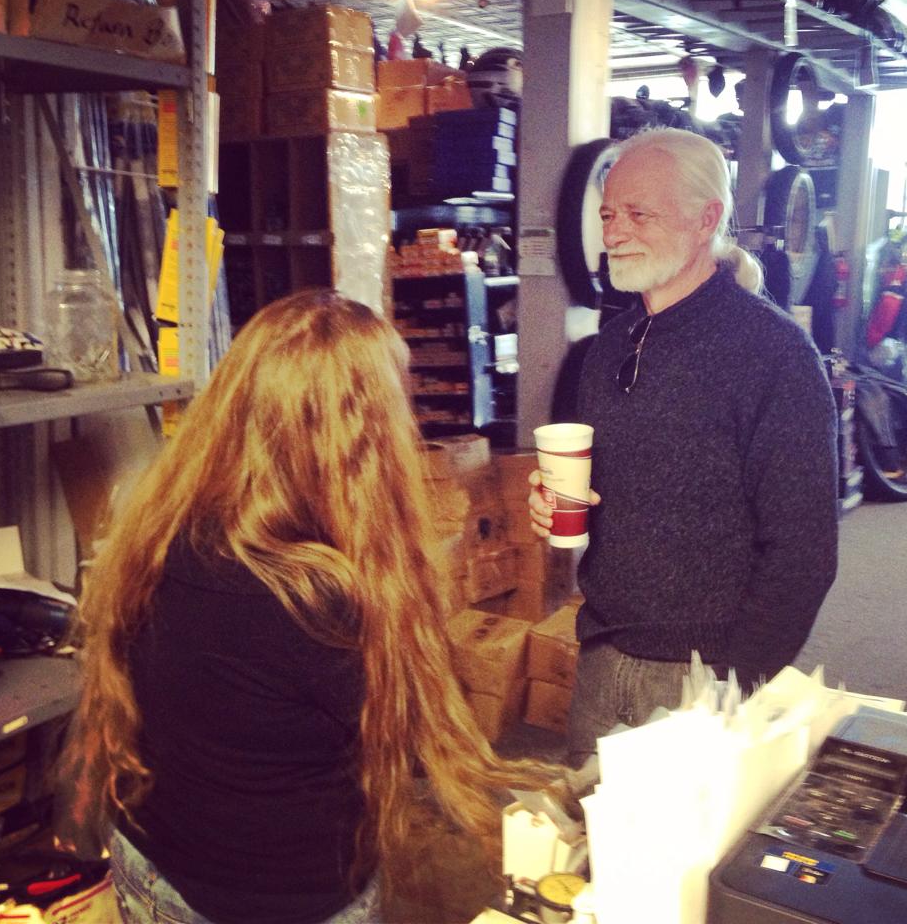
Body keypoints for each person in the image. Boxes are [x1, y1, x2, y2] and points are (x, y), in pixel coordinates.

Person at [60, 292, 557, 924]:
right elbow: (413, 742)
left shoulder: (165, 530)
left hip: (150, 866)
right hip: (280, 902)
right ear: (361, 436)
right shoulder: (319, 601)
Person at [529, 128, 839, 767]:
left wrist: (734, 690)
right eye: (608, 215)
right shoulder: (609, 348)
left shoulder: (774, 355)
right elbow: (615, 495)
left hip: (702, 678)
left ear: (706, 220)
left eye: (639, 214)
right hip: (601, 656)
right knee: (584, 827)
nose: (615, 232)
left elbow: (803, 552)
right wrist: (555, 502)